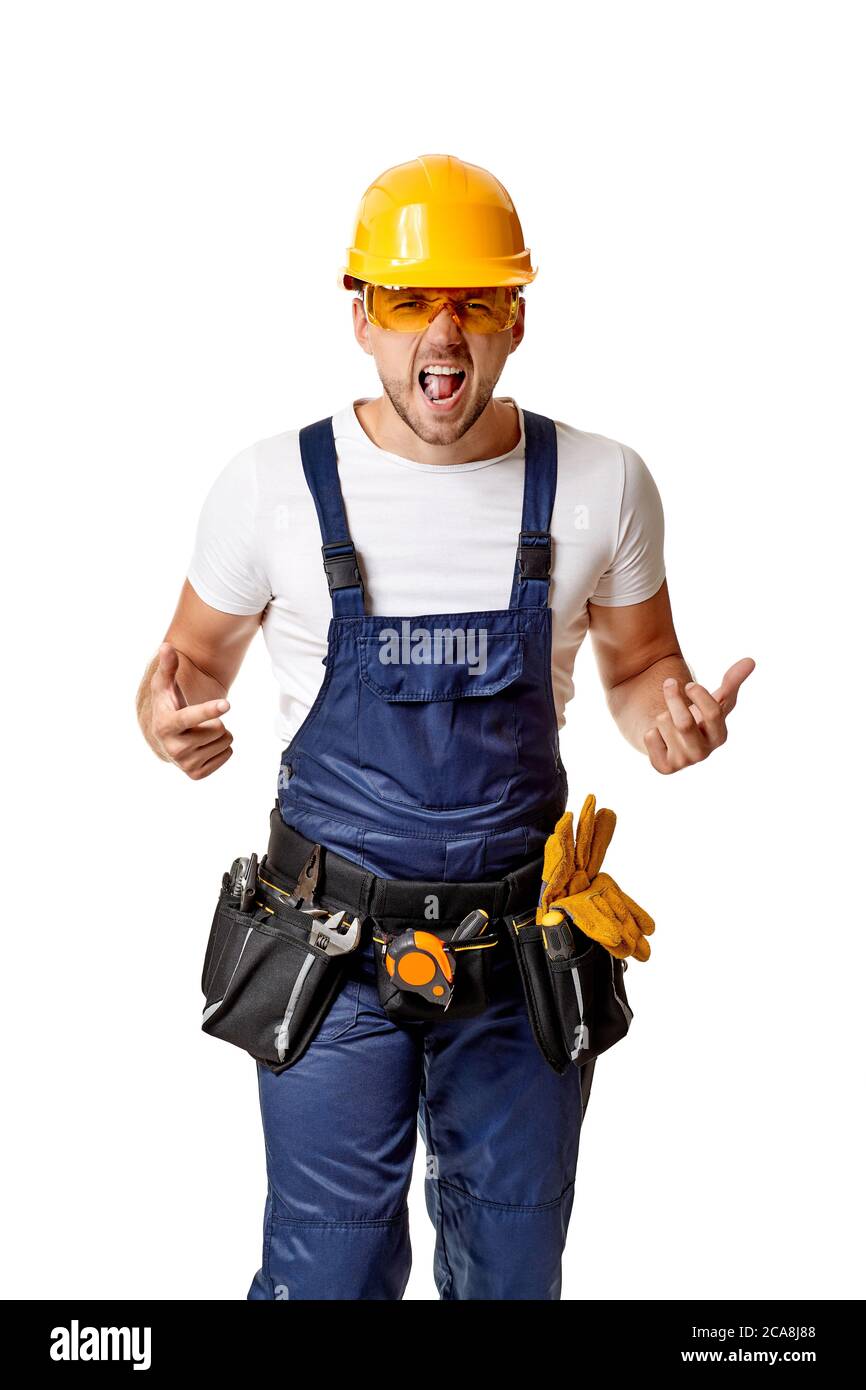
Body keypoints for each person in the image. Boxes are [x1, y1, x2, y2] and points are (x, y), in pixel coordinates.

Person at [136, 154, 754, 1300]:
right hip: (327, 955)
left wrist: (667, 721)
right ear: (361, 316)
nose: (445, 329)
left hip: (519, 954)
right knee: (325, 1272)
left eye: (475, 300)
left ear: (515, 317)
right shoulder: (271, 486)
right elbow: (185, 661)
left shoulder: (599, 483)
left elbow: (640, 670)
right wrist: (163, 714)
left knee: (513, 1270)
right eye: (413, 299)